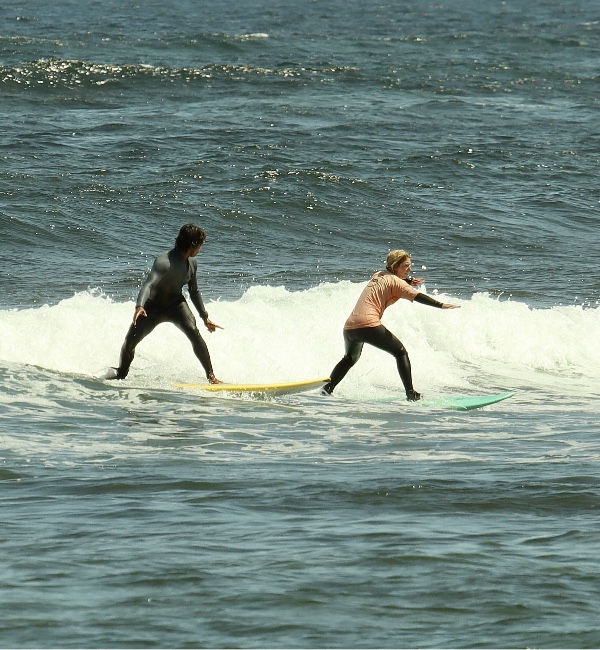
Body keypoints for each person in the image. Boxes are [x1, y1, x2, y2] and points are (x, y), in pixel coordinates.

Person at [322, 249, 460, 401]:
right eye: (406, 266)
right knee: (401, 352)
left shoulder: (378, 275)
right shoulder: (397, 282)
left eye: (410, 266)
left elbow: (391, 281)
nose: (410, 269)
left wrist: (408, 280)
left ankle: (327, 389)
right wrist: (440, 305)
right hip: (369, 325)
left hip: (350, 327)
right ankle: (411, 393)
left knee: (349, 359)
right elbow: (418, 296)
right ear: (395, 267)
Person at [106, 223, 223, 383]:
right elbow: (149, 284)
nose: (201, 249)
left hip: (176, 305)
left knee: (194, 333)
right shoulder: (164, 263)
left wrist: (204, 317)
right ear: (193, 245)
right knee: (130, 342)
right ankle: (121, 373)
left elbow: (194, 291)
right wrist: (139, 306)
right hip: (152, 308)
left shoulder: (192, 263)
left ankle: (211, 377)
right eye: (200, 245)